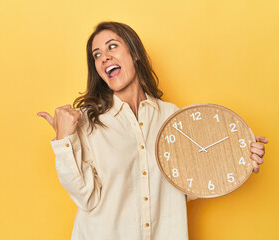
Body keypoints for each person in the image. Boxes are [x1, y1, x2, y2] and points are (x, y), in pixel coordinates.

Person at [37, 22, 268, 240]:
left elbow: (190, 181)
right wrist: (63, 140)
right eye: (96, 55)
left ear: (134, 53)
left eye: (112, 46)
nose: (104, 56)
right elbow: (86, 198)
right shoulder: (88, 121)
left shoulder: (171, 117)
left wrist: (240, 156)